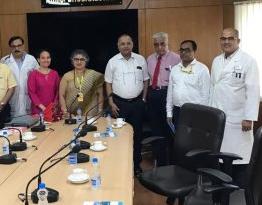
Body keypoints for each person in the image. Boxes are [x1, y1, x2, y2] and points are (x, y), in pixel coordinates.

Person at [210, 28, 260, 187]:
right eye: (223, 39)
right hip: (218, 116)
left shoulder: (248, 61)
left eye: (230, 38)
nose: (226, 42)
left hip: (238, 120)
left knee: (239, 159)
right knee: (221, 156)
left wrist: (249, 118)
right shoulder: (216, 61)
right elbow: (213, 88)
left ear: (238, 40)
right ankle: (221, 189)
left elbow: (253, 91)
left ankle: (238, 192)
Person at [105, 34, 149, 177]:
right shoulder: (112, 62)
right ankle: (120, 166)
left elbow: (146, 80)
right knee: (119, 136)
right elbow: (108, 83)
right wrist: (111, 103)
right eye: (122, 44)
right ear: (118, 46)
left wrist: (143, 99)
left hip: (137, 104)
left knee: (137, 136)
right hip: (119, 104)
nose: (125, 46)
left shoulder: (140, 59)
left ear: (132, 44)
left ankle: (136, 166)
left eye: (128, 43)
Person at [146, 32, 181, 166]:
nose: (160, 47)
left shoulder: (177, 59)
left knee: (171, 130)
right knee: (156, 130)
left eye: (162, 44)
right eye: (156, 45)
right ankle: (159, 164)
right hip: (154, 95)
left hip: (169, 95)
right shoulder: (149, 59)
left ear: (167, 43)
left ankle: (173, 164)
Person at [166, 39, 210, 126]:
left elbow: (206, 95)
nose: (183, 53)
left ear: (194, 51)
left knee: (194, 138)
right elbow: (170, 93)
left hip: (195, 112)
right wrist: (169, 113)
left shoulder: (202, 69)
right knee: (178, 137)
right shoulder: (175, 69)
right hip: (177, 110)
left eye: (187, 50)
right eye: (181, 50)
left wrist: (202, 114)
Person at [59, 49, 104, 118]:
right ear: (72, 61)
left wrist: (100, 111)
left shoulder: (93, 75)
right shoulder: (66, 76)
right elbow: (61, 95)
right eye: (76, 59)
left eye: (82, 59)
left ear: (86, 61)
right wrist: (65, 112)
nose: (79, 62)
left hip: (91, 115)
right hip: (72, 115)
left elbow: (100, 94)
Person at [1, 36, 38, 118]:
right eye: (13, 46)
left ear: (23, 46)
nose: (16, 48)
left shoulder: (31, 60)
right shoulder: (4, 61)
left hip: (28, 99)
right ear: (10, 48)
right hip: (12, 100)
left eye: (19, 45)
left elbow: (38, 79)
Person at [27, 49, 60, 116]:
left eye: (48, 57)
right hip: (38, 110)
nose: (46, 60)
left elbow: (57, 91)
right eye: (43, 58)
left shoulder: (55, 73)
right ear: (38, 60)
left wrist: (54, 105)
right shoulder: (33, 74)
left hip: (52, 110)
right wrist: (42, 107)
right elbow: (32, 93)